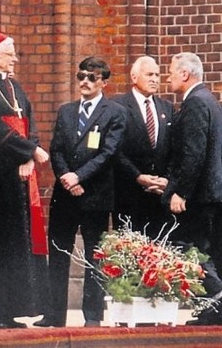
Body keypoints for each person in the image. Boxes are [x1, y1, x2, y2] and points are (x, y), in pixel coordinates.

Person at [36, 57, 126, 328]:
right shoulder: (66, 111)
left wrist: (80, 176)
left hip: (95, 194)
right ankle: (54, 314)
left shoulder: (115, 112)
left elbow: (109, 152)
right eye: (81, 76)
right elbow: (57, 149)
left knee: (94, 256)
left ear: (104, 82)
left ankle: (93, 315)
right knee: (59, 253)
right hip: (66, 194)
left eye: (92, 77)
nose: (85, 82)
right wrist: (66, 177)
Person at [0, 32, 50, 329]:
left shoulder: (16, 87)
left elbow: (30, 124)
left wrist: (30, 155)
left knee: (18, 243)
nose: (15, 58)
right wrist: (29, 150)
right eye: (10, 53)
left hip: (19, 172)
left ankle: (11, 309)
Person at [162, 52, 222, 326]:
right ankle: (212, 310)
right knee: (204, 249)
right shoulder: (209, 100)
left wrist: (181, 192)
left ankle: (216, 299)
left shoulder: (195, 103)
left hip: (198, 195)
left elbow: (193, 153)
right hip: (211, 193)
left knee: (192, 248)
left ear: (185, 74)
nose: (168, 76)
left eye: (172, 71)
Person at [112, 56, 174, 238]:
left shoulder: (167, 107)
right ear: (134, 77)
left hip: (160, 193)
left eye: (157, 75)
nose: (155, 79)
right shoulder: (118, 106)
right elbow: (115, 149)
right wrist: (138, 176)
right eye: (149, 74)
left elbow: (173, 147)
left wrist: (166, 179)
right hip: (129, 192)